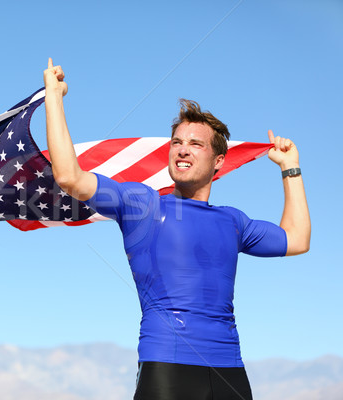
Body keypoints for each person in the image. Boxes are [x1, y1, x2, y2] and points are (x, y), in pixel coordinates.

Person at [43, 58, 311, 400]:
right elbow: (69, 177)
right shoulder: (142, 204)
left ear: (218, 162)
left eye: (196, 144)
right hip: (168, 368)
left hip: (230, 371)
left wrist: (291, 169)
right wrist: (54, 95)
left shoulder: (233, 221)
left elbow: (297, 239)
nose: (182, 149)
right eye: (177, 142)